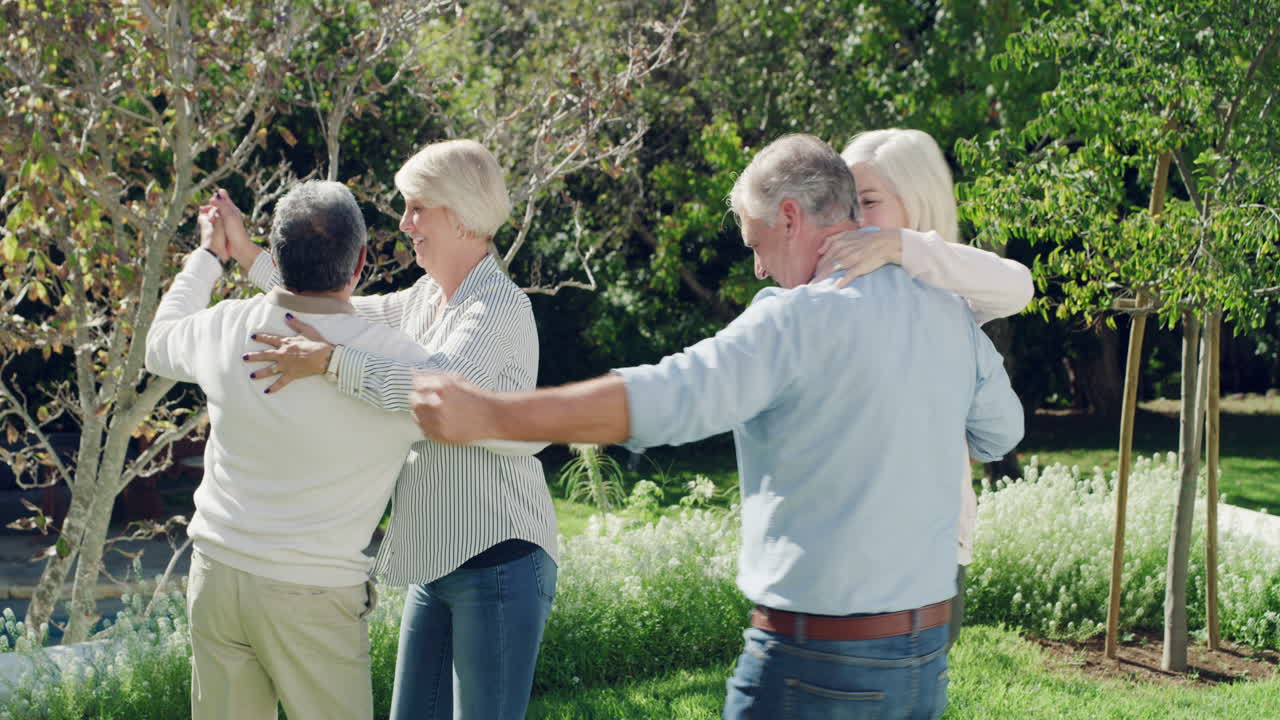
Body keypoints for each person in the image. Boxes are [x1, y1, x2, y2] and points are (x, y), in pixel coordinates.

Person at [406, 134, 1025, 719]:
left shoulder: (792, 322)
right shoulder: (947, 313)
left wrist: (492, 413)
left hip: (814, 661)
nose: (758, 269)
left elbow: (663, 398)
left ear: (790, 218)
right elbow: (1001, 432)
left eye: (756, 244)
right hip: (923, 657)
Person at [214, 139, 557, 720]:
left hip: (498, 560)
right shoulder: (423, 300)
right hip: (435, 558)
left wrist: (330, 363)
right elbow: (324, 302)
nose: (404, 223)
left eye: (417, 208)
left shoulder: (497, 307)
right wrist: (246, 250)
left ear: (460, 215)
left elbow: (437, 389)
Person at [145, 181, 433, 720]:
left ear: (275, 259)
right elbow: (493, 424)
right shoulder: (398, 361)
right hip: (314, 594)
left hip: (218, 576)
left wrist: (210, 254)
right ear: (361, 262)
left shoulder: (226, 325)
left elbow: (158, 344)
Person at [815, 127, 1034, 646]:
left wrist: (901, 246)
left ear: (916, 203)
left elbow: (1018, 286)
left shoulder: (949, 293)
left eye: (869, 201)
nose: (855, 219)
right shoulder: (829, 293)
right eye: (846, 204)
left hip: (930, 549)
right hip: (837, 543)